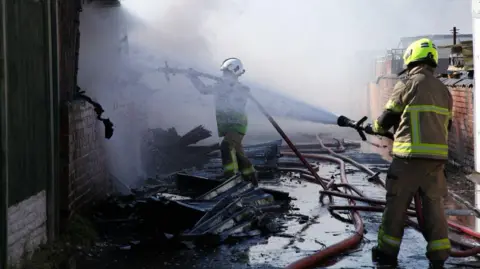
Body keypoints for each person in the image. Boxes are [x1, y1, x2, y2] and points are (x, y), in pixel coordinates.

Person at [364, 38, 453, 269]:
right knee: (434, 208)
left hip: (407, 161)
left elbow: (387, 119)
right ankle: (439, 257)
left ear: (411, 58)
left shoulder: (407, 84)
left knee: (396, 206)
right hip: (436, 163)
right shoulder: (445, 91)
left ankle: (386, 255)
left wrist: (375, 128)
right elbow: (447, 127)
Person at [187, 58, 258, 186]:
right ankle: (251, 178)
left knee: (226, 146)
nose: (225, 76)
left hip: (237, 125)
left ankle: (229, 177)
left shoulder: (242, 88)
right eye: (224, 73)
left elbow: (240, 97)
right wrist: (193, 78)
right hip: (226, 125)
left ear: (235, 73)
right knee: (238, 153)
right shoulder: (219, 86)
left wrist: (229, 87)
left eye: (228, 73)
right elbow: (203, 89)